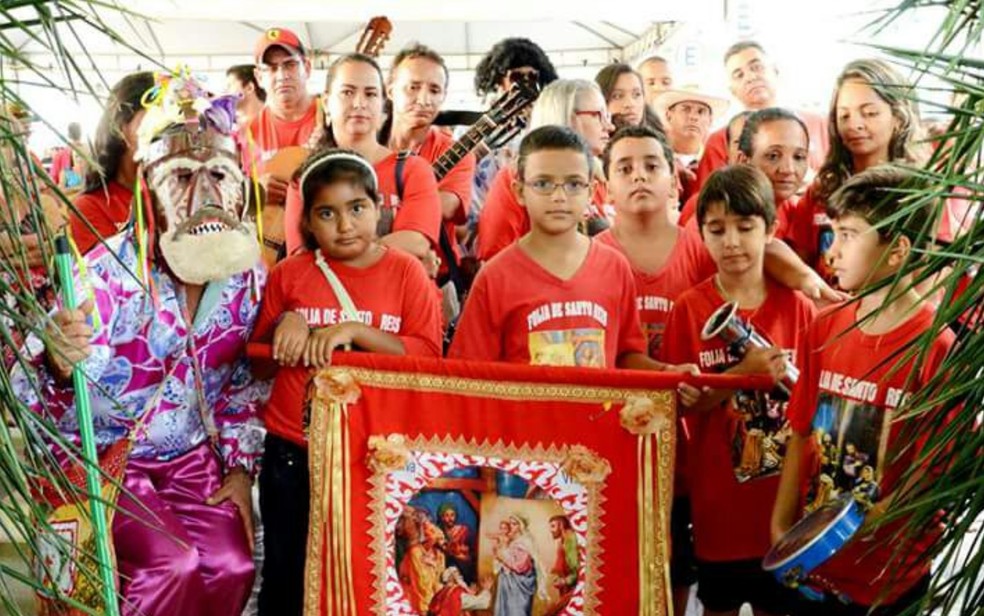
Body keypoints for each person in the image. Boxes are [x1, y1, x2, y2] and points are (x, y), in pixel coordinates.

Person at [14, 72, 263, 616]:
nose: (205, 195)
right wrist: (58, 362)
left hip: (189, 458)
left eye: (220, 174)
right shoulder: (105, 277)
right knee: (172, 563)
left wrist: (240, 470)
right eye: (182, 177)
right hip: (106, 460)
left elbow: (240, 385)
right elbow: (28, 389)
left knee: (233, 565)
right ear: (148, 190)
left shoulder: (247, 279)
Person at [250, 149, 442, 614]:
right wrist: (285, 326)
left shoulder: (407, 272)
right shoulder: (289, 275)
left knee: (363, 574)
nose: (344, 225)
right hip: (293, 452)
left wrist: (355, 332)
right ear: (307, 223)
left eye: (357, 208)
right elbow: (257, 366)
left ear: (378, 208)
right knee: (286, 574)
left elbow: (428, 359)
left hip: (374, 452)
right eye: (327, 213)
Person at [771, 166, 955, 616]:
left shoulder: (937, 347)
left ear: (897, 251)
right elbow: (799, 431)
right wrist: (781, 526)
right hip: (817, 564)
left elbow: (929, 474)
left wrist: (856, 526)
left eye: (849, 235)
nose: (831, 251)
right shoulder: (823, 328)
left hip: (890, 575)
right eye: (833, 233)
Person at [661, 164, 816, 616]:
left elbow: (815, 406)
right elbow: (679, 405)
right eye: (717, 229)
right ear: (701, 236)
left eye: (745, 227)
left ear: (770, 229)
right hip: (719, 514)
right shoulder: (689, 309)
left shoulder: (799, 308)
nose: (731, 242)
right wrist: (742, 374)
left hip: (786, 514)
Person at [592, 124, 716, 614]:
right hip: (613, 437)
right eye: (624, 168)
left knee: (678, 560)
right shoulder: (592, 256)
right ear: (606, 186)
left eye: (651, 165)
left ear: (674, 180)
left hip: (687, 439)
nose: (639, 176)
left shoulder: (702, 252)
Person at [452, 125, 690, 374]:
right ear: (519, 191)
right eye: (543, 183)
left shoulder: (615, 267)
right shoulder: (495, 278)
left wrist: (665, 373)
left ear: (591, 191)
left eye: (574, 184)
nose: (559, 196)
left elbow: (625, 354)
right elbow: (469, 374)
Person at [282, 53, 442, 273]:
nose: (359, 103)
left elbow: (415, 242)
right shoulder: (305, 177)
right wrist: (386, 250)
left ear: (382, 105)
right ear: (326, 103)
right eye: (347, 92)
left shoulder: (413, 170)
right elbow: (301, 262)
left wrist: (331, 254)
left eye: (370, 94)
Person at [788, 59, 937, 283]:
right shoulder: (821, 189)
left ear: (898, 118)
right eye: (844, 115)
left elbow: (929, 281)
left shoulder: (920, 191)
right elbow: (800, 267)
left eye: (869, 113)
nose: (854, 124)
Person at [476, 80, 614, 262]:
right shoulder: (515, 178)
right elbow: (494, 259)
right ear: (567, 116)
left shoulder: (599, 177)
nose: (609, 126)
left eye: (608, 116)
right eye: (598, 115)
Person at [385, 43, 476, 297]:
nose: (424, 99)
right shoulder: (369, 144)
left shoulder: (456, 152)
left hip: (435, 280)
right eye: (413, 87)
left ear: (443, 97)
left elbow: (445, 206)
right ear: (390, 90)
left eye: (434, 90)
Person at [694, 41, 828, 191]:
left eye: (756, 67)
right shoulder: (721, 140)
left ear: (775, 71)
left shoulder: (819, 124)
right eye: (739, 75)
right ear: (732, 91)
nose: (750, 77)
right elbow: (705, 198)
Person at [468, 38, 559, 235]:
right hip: (485, 223)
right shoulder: (478, 125)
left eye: (532, 77)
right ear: (498, 80)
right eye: (516, 77)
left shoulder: (547, 123)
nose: (525, 84)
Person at [248, 27, 320, 263]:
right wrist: (254, 193)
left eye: (290, 65)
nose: (281, 75)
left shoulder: (332, 118)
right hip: (268, 253)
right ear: (259, 77)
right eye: (271, 68)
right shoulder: (246, 134)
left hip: (323, 246)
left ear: (306, 67)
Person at [68, 71, 153, 254]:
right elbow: (114, 271)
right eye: (154, 123)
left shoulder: (182, 198)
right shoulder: (91, 207)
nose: (166, 136)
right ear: (120, 128)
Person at [655, 85, 729, 205]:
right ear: (669, 115)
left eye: (701, 112)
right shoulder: (654, 156)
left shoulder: (720, 163)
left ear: (710, 120)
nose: (693, 117)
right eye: (686, 109)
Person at [492, 514, 547, 616]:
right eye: (510, 523)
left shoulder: (524, 542)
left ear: (521, 526)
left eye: (514, 524)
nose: (510, 526)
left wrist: (502, 557)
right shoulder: (512, 540)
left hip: (518, 586)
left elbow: (520, 567)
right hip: (507, 584)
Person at [594, 63, 665, 133]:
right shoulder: (592, 139)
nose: (630, 104)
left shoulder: (658, 137)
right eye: (617, 96)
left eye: (637, 94)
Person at [544, 515, 579, 615]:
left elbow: (577, 570)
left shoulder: (570, 540)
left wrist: (564, 581)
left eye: (553, 526)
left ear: (561, 525)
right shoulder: (563, 540)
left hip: (574, 587)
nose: (551, 530)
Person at [427, 567, 492, 615]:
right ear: (451, 578)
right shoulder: (456, 593)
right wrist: (486, 589)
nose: (461, 576)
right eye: (457, 574)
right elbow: (483, 603)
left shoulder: (441, 592)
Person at [436, 501, 474, 582]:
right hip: (444, 569)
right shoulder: (438, 532)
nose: (450, 518)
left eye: (452, 515)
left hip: (462, 568)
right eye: (447, 515)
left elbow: (472, 551)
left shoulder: (463, 531)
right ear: (442, 517)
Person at [226, 63, 267, 129]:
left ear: (249, 88)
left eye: (229, 86)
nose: (225, 91)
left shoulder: (274, 122)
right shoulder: (228, 126)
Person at [49, 121, 88, 190]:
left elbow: (53, 179)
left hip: (72, 189)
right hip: (87, 186)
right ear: (81, 133)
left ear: (69, 135)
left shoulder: (62, 154)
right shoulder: (89, 148)